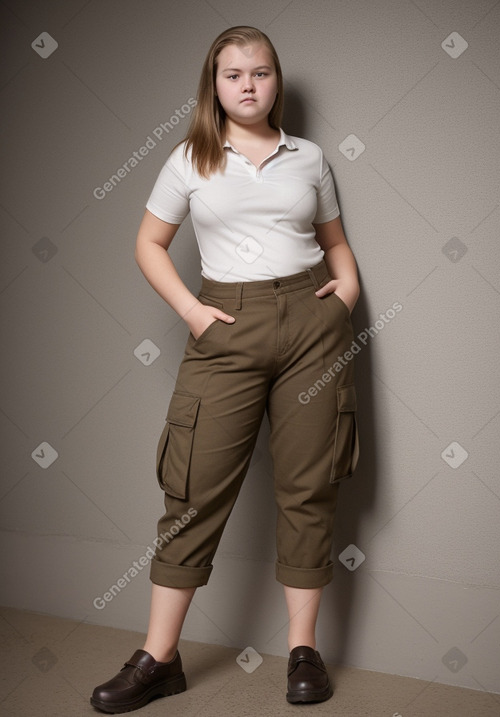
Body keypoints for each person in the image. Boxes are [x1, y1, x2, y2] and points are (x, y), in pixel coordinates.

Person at [91, 25, 360, 714]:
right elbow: (150, 243)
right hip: (225, 328)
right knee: (192, 490)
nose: (248, 84)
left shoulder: (310, 157)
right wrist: (191, 309)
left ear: (276, 81)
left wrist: (345, 297)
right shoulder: (190, 160)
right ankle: (159, 658)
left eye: (261, 72)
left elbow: (336, 245)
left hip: (312, 327)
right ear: (213, 84)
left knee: (309, 487)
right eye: (234, 73)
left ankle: (304, 650)